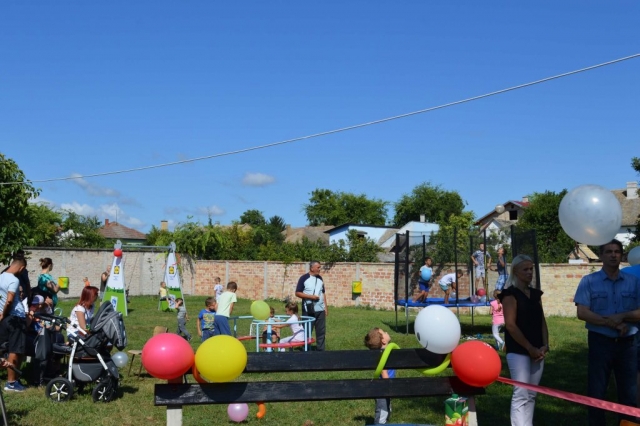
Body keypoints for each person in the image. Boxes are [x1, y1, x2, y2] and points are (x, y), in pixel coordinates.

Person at [574, 239, 640, 426]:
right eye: (609, 252)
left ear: (622, 255)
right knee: (597, 392)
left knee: (629, 392)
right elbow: (582, 312)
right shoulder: (589, 281)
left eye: (617, 252)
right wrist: (612, 323)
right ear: (601, 256)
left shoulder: (634, 282)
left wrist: (622, 316)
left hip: (628, 344)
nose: (613, 255)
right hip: (600, 342)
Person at [499, 254, 548, 426]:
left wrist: (545, 345)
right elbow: (511, 325)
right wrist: (529, 348)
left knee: (532, 393)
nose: (529, 272)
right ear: (516, 272)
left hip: (538, 350)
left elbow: (542, 320)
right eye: (525, 269)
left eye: (531, 269)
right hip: (519, 350)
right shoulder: (510, 295)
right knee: (521, 392)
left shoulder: (535, 294)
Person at [0, 257, 28, 391]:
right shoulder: (14, 280)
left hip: (7, 319)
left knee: (17, 349)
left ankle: (15, 379)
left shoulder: (1, 276)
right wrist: (4, 313)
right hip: (15, 318)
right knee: (15, 350)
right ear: (21, 268)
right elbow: (10, 301)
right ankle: (11, 383)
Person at [364, 327, 395, 424]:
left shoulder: (386, 352)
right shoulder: (382, 356)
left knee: (387, 410)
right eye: (384, 332)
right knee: (382, 412)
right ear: (384, 341)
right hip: (383, 389)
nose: (386, 332)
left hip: (385, 389)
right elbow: (384, 373)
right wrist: (389, 389)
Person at [295, 261, 328, 351]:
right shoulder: (304, 278)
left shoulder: (320, 278)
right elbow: (297, 293)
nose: (319, 269)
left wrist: (325, 308)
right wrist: (311, 297)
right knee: (307, 330)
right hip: (308, 309)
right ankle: (305, 348)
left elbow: (323, 293)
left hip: (320, 309)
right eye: (318, 267)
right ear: (312, 268)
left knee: (321, 331)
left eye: (319, 267)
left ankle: (321, 350)